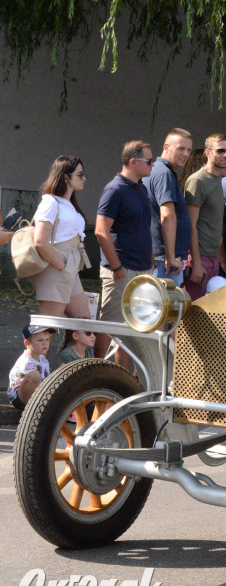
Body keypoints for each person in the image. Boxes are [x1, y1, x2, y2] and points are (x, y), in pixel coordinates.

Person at [94, 140, 154, 365]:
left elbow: (142, 226)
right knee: (110, 326)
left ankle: (122, 380)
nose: (152, 164)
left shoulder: (141, 188)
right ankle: (96, 372)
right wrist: (117, 267)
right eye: (148, 160)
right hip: (122, 269)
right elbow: (101, 231)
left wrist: (149, 259)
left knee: (133, 330)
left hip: (142, 269)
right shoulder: (115, 189)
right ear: (133, 161)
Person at [29, 156, 92, 319]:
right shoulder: (50, 202)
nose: (84, 178)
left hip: (70, 264)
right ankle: (30, 345)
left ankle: (67, 346)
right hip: (58, 263)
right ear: (66, 177)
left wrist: (68, 267)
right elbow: (40, 241)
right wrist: (61, 266)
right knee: (48, 327)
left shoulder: (68, 204)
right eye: (80, 174)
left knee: (83, 323)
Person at [184, 133, 226, 299]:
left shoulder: (217, 179)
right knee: (191, 310)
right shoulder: (198, 180)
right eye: (220, 151)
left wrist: (221, 259)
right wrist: (196, 262)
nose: (225, 155)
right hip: (199, 257)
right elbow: (191, 224)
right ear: (208, 153)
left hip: (212, 257)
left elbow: (213, 224)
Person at [143, 128, 193, 285]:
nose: (185, 154)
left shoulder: (162, 171)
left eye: (188, 150)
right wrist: (170, 256)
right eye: (180, 149)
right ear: (166, 147)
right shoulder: (164, 173)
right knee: (165, 308)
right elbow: (167, 215)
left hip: (162, 258)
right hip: (164, 261)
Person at [7, 325, 55, 411]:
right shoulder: (27, 361)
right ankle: (33, 410)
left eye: (47, 339)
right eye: (40, 340)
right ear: (27, 343)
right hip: (20, 397)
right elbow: (31, 383)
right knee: (34, 375)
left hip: (35, 393)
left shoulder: (43, 359)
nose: (45, 343)